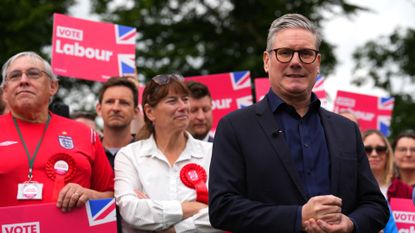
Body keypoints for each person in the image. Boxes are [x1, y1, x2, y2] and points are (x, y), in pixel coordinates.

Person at [208, 13, 389, 233]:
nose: (295, 62)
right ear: (267, 61)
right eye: (284, 53)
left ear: (318, 62)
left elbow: (376, 205)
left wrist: (350, 224)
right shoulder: (235, 127)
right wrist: (297, 217)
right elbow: (222, 208)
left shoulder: (347, 130)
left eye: (306, 53)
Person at [0, 51, 114, 212]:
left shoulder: (85, 134)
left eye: (33, 74)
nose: (23, 81)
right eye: (15, 76)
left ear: (53, 86)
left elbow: (112, 195)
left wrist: (90, 196)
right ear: (5, 91)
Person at [114, 74, 221, 233]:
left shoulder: (213, 153)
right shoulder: (129, 155)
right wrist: (188, 208)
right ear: (150, 112)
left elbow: (224, 212)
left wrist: (175, 229)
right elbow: (131, 210)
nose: (183, 107)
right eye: (172, 101)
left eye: (185, 99)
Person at [96, 77, 139, 168]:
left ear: (136, 112)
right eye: (110, 102)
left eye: (124, 103)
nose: (116, 108)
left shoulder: (147, 153)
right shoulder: (89, 152)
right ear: (99, 109)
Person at [362, 129, 412, 200]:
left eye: (380, 149)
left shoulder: (406, 191)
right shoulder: (350, 188)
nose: (374, 154)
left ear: (388, 153)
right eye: (367, 149)